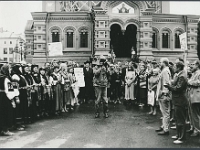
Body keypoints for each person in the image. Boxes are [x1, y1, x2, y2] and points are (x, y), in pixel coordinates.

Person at [164, 61, 188, 144]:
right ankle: (178, 135)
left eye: (175, 67)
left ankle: (182, 137)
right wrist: (171, 84)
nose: (173, 68)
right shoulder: (180, 74)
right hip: (177, 99)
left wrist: (169, 87)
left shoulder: (182, 76)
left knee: (180, 118)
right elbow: (175, 84)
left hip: (180, 100)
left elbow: (178, 88)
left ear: (178, 67)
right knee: (177, 118)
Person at [155, 58, 172, 135]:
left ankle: (166, 129)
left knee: (165, 113)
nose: (159, 63)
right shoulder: (164, 70)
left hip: (164, 95)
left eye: (160, 62)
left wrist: (164, 93)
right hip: (162, 94)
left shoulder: (165, 71)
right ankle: (163, 126)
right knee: (163, 112)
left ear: (164, 63)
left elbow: (166, 83)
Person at [0, 64, 16, 136]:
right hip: (5, 98)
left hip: (1, 96)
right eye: (9, 69)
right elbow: (10, 90)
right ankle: (5, 130)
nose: (10, 70)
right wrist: (13, 100)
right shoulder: (6, 78)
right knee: (6, 113)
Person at [187, 60, 200, 137]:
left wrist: (189, 82)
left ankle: (197, 130)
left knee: (196, 114)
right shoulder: (194, 73)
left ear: (197, 65)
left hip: (196, 96)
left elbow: (198, 82)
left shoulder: (199, 73)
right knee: (191, 113)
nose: (191, 66)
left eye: (193, 64)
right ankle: (193, 127)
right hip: (191, 95)